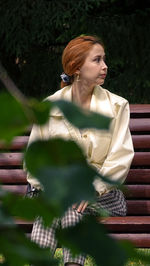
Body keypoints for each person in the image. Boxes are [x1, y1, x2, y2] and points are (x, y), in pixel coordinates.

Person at [26, 35, 134, 266]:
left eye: (104, 59)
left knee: (73, 208)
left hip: (104, 196)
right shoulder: (50, 106)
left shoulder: (117, 106)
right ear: (76, 67)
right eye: (97, 60)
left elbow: (120, 156)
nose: (105, 66)